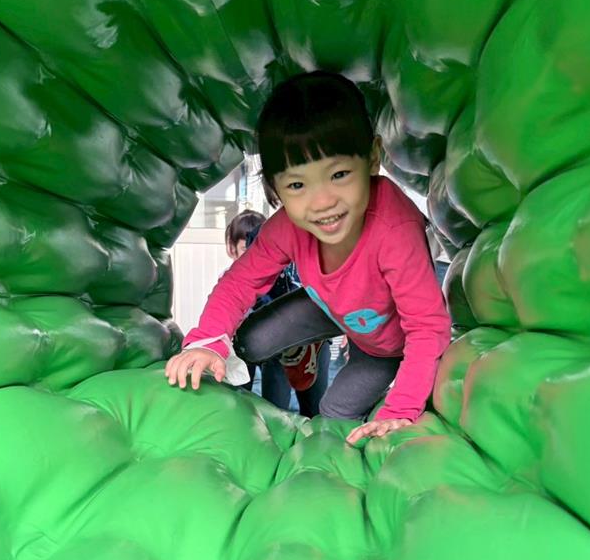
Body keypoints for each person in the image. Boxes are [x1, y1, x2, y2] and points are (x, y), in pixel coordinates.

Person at [166, 71, 451, 445]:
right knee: (250, 341)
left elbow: (428, 327)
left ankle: (321, 367)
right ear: (276, 186)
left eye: (339, 174)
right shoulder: (287, 226)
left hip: (385, 347)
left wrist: (401, 408)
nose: (322, 203)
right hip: (330, 306)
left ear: (372, 159)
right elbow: (239, 281)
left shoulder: (395, 231)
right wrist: (206, 341)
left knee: (333, 416)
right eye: (297, 184)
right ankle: (304, 349)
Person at [224, 210, 329, 417]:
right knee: (269, 405)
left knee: (314, 405)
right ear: (231, 248)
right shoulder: (234, 281)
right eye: (246, 249)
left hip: (304, 342)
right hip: (267, 345)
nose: (254, 257)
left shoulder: (288, 273)